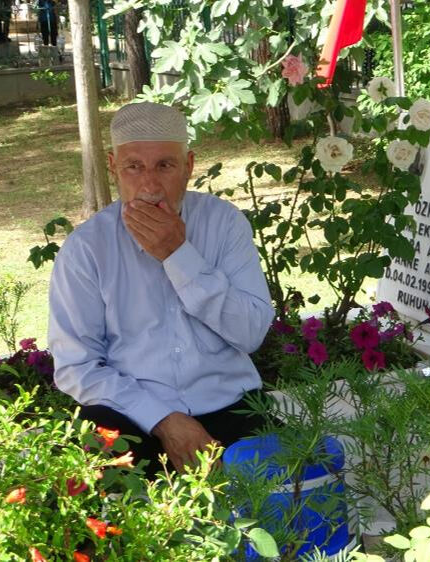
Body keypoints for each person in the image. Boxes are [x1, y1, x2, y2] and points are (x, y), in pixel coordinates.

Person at [49, 102, 276, 477]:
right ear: (112, 166)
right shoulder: (87, 248)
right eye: (133, 166)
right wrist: (164, 419)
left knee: (288, 500)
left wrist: (179, 256)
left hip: (228, 401)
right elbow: (77, 366)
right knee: (107, 515)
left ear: (188, 166)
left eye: (165, 166)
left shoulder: (224, 224)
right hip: (127, 411)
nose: (150, 185)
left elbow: (250, 333)